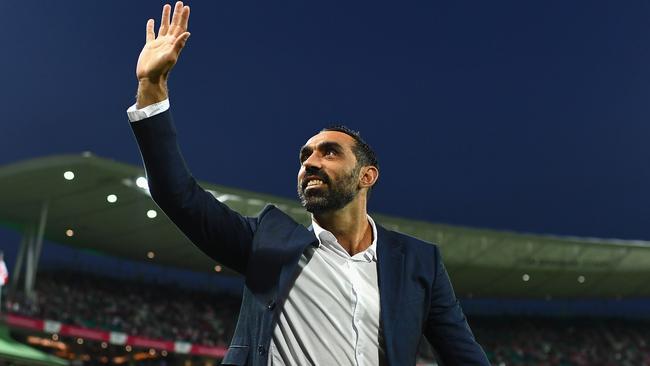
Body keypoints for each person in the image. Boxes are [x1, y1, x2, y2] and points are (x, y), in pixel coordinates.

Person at [128, 2, 489, 365]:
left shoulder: (418, 262)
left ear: (367, 176)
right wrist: (152, 86)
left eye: (329, 153)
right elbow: (177, 195)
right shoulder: (267, 242)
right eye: (305, 156)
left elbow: (465, 356)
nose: (311, 163)